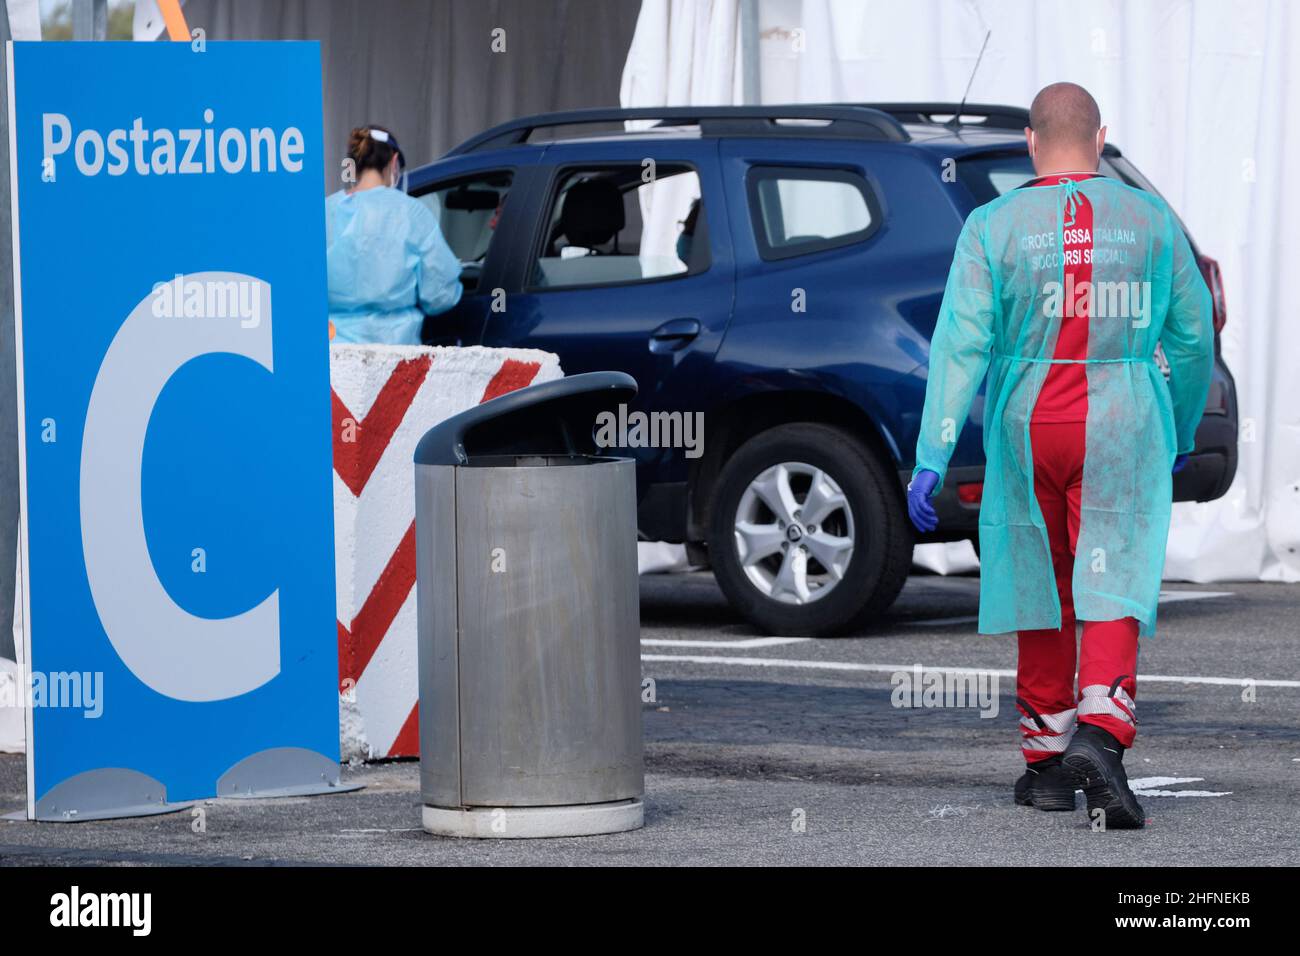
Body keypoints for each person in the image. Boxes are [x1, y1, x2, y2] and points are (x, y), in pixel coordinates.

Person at [907, 83, 1213, 829]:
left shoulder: (991, 223)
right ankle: (1102, 735)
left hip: (1024, 422)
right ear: (1102, 137)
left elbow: (960, 343)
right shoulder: (1149, 218)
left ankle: (1045, 764)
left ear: (1031, 144)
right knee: (1115, 569)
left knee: (1039, 581)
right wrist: (1178, 425)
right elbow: (1192, 335)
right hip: (1121, 420)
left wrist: (931, 455)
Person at [325, 125, 463, 344]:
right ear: (394, 161)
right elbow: (440, 294)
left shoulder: (325, 212)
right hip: (396, 353)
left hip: (334, 350)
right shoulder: (412, 213)